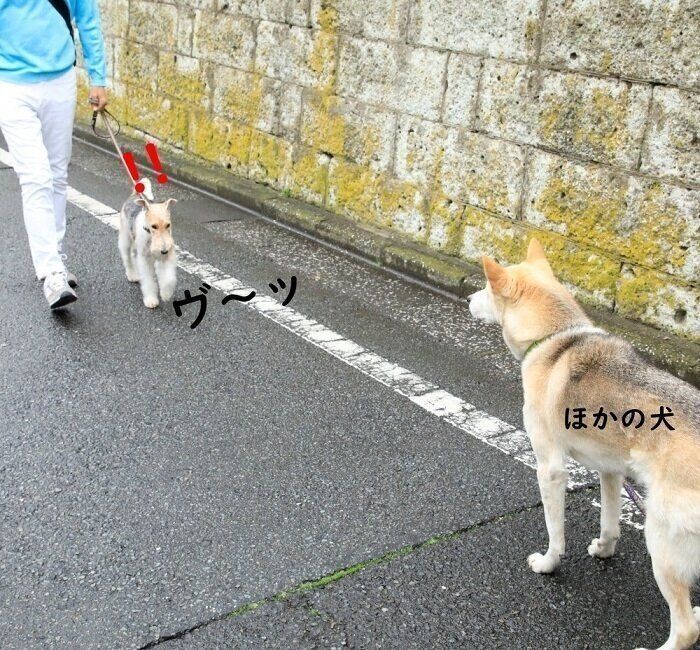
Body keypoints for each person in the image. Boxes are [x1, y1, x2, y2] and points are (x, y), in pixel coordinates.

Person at [0, 0, 108, 309]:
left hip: (60, 81)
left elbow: (88, 19)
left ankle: (55, 256)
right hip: (11, 86)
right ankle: (51, 272)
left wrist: (98, 78)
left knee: (58, 173)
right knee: (36, 177)